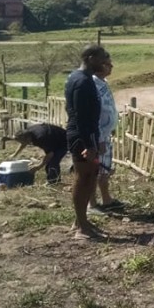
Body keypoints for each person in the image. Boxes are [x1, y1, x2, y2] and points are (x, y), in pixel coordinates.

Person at [64, 45, 108, 239]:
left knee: (91, 175)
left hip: (87, 135)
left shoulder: (79, 78)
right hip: (82, 137)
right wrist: (89, 145)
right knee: (84, 178)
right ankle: (81, 227)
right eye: (102, 58)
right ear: (90, 58)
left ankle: (81, 220)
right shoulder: (81, 82)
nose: (105, 62)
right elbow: (82, 117)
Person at [89, 58, 124, 214]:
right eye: (108, 64)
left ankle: (106, 199)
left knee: (104, 171)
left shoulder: (103, 82)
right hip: (98, 137)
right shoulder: (92, 85)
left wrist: (111, 126)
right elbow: (93, 115)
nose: (111, 67)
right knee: (94, 171)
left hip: (105, 133)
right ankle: (92, 204)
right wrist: (100, 138)